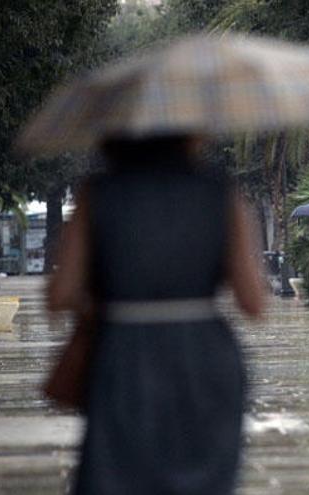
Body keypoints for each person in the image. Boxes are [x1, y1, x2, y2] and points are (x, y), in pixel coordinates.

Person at [47, 136, 265, 494]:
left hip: (123, 354)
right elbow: (253, 302)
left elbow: (61, 294)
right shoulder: (220, 192)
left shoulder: (98, 194)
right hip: (205, 356)